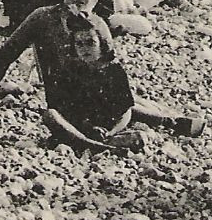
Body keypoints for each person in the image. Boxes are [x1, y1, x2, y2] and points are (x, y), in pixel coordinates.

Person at [0, 0, 203, 139]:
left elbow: (111, 72)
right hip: (61, 95)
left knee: (124, 103)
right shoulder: (42, 17)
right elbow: (7, 53)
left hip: (95, 95)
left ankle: (168, 121)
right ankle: (167, 122)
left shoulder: (97, 23)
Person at [41, 14, 144, 153]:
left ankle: (96, 144)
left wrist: (110, 131)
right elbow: (62, 109)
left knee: (138, 137)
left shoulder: (114, 71)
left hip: (106, 129)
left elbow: (125, 111)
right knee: (50, 115)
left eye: (90, 43)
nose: (85, 49)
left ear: (102, 42)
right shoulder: (68, 71)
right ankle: (94, 145)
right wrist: (86, 127)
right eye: (79, 44)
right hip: (77, 128)